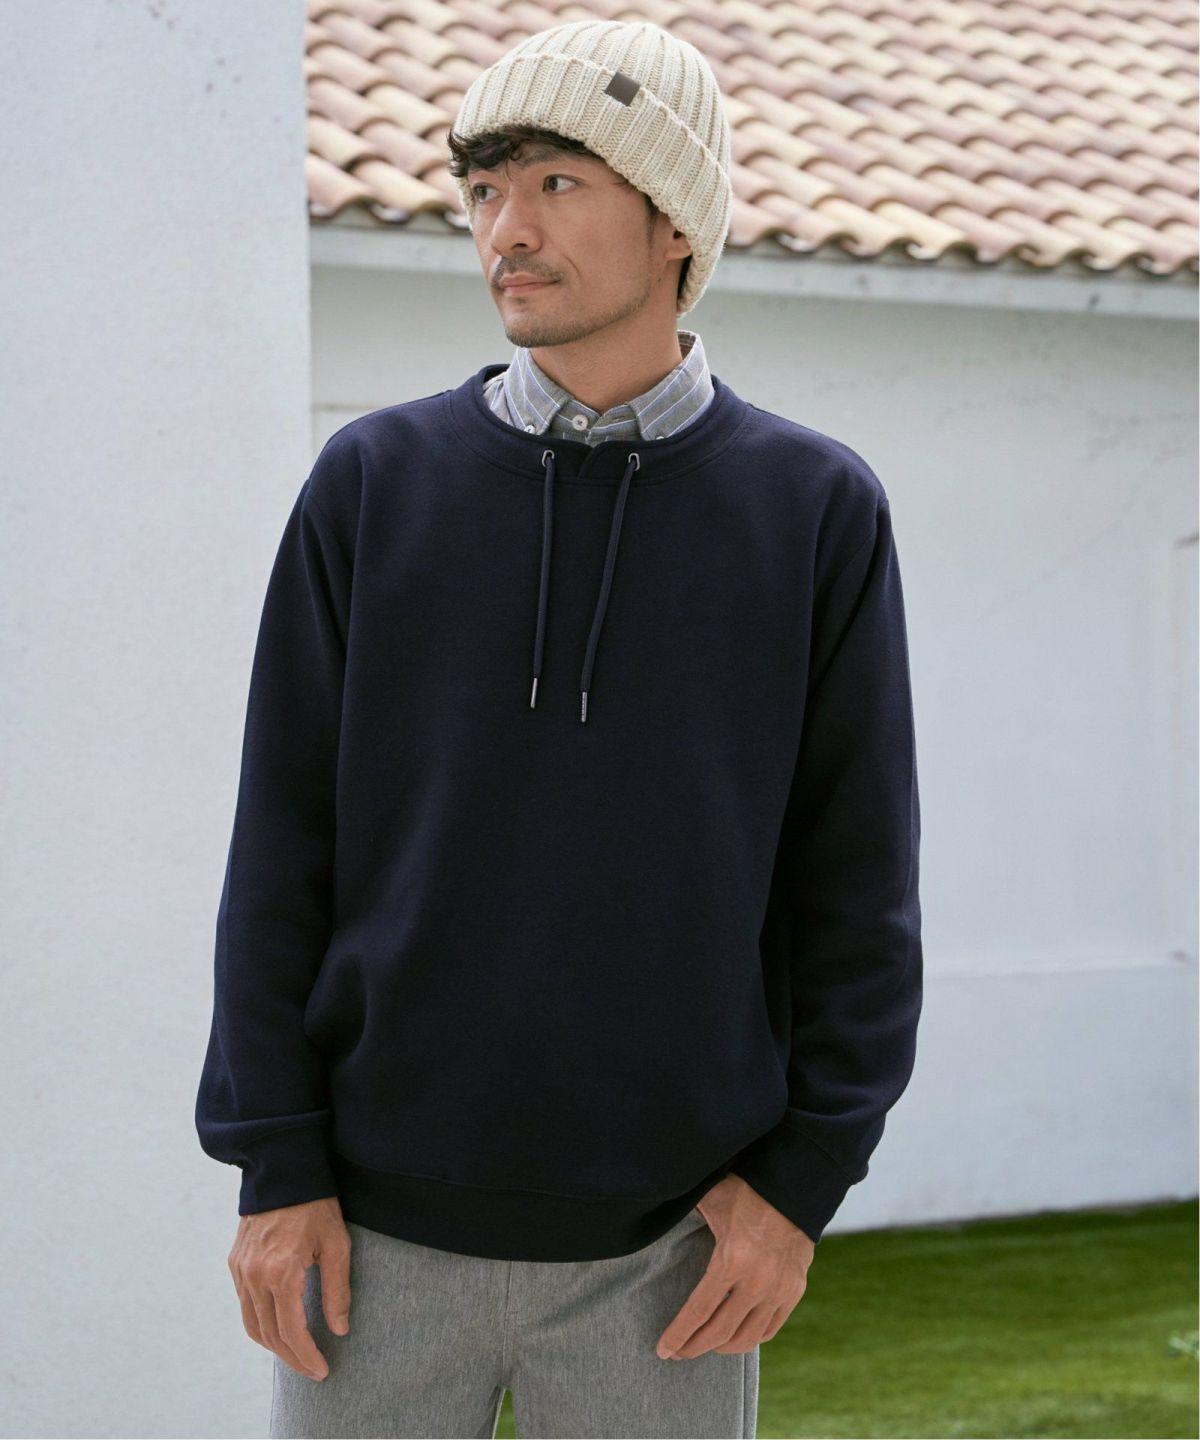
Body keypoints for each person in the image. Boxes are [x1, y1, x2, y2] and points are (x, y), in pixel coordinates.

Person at [195, 18, 924, 1440]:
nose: (505, 231)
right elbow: (278, 848)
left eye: (557, 183)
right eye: (484, 190)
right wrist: (275, 1166)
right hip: (370, 1240)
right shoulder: (372, 484)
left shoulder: (815, 512)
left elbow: (857, 885)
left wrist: (798, 1188)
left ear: (676, 220)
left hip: (675, 1252)